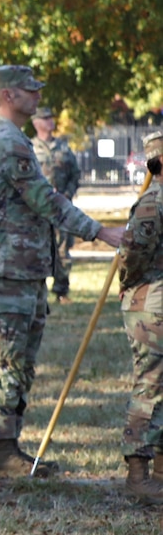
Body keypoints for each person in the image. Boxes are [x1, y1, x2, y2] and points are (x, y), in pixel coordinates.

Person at [0, 65, 124, 476]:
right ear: (7, 95)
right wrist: (99, 231)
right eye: (29, 90)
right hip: (9, 270)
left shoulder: (13, 139)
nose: (38, 97)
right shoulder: (8, 142)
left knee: (20, 361)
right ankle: (2, 453)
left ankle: (11, 448)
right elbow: (45, 199)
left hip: (23, 269)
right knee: (5, 362)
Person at [117, 132, 163, 505]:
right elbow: (131, 255)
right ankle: (137, 472)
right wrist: (134, 287)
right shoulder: (152, 202)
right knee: (150, 385)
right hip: (151, 305)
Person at [31, 106, 81, 302]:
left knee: (62, 248)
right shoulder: (29, 147)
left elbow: (75, 174)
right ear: (36, 123)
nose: (50, 121)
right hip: (38, 208)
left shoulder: (63, 147)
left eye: (51, 117)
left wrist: (67, 193)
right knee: (38, 248)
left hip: (61, 207)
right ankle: (38, 289)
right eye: (45, 118)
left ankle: (61, 290)